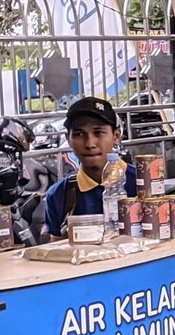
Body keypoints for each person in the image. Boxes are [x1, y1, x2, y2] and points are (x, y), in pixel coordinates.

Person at [43, 96, 136, 239]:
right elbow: (57, 250)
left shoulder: (140, 184)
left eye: (98, 132)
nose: (89, 144)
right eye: (79, 134)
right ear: (68, 139)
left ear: (116, 136)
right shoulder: (58, 195)